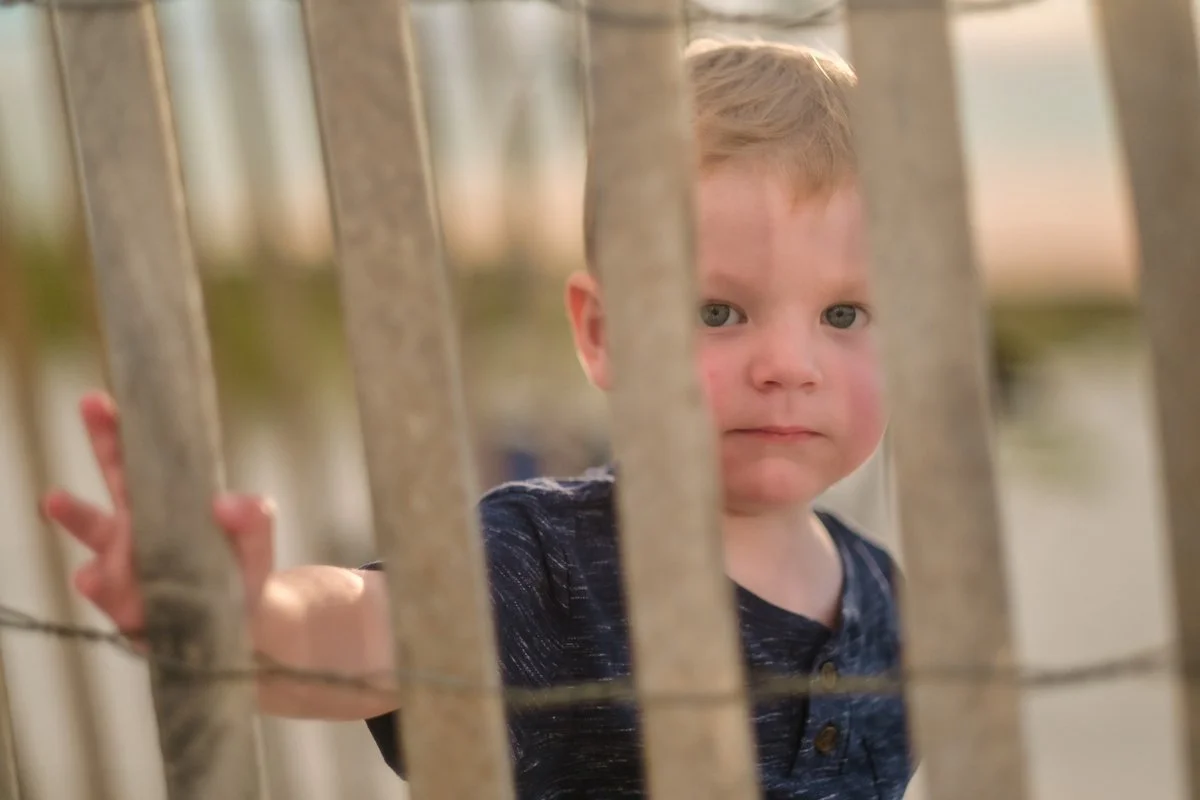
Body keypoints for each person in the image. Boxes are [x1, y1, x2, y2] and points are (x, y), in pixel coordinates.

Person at [41, 37, 913, 800]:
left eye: (843, 316)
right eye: (719, 312)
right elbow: (370, 627)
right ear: (603, 335)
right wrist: (249, 613)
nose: (790, 368)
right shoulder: (544, 562)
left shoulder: (889, 602)